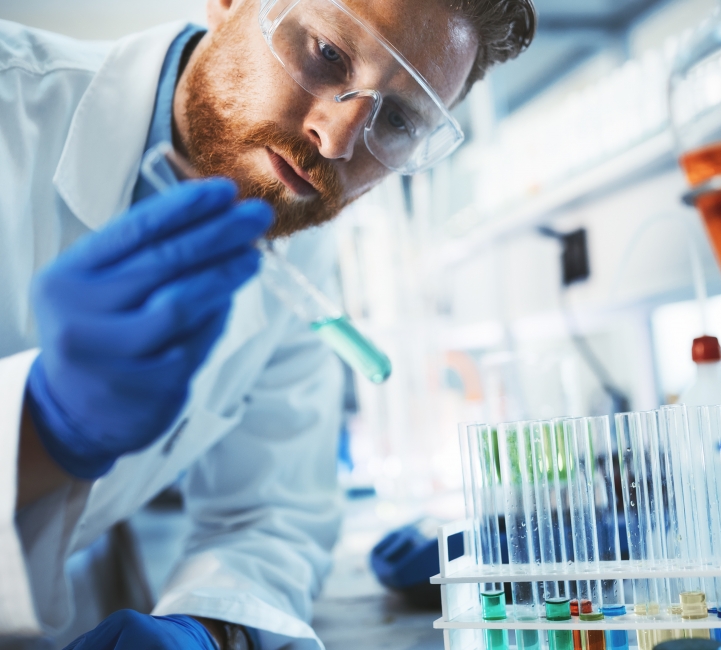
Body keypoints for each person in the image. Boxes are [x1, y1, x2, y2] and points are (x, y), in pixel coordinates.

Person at [0, 0, 535, 647]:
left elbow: (273, 513)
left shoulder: (296, 238)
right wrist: (44, 425)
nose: (336, 139)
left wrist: (208, 629)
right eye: (328, 55)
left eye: (395, 118)